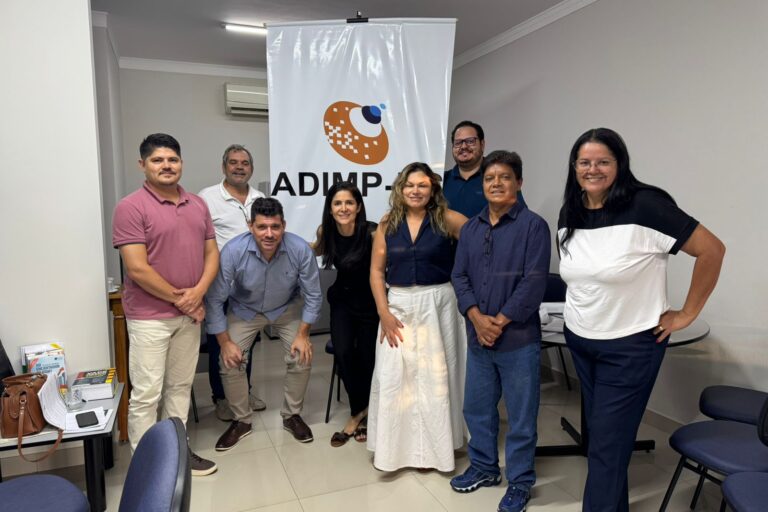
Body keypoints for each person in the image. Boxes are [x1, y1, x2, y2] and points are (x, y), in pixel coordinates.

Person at [557, 128, 725, 512]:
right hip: (581, 340)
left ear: (620, 164)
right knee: (605, 442)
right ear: (574, 167)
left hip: (629, 347)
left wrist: (687, 313)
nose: (593, 169)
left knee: (605, 446)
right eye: (585, 162)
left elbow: (712, 250)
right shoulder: (572, 210)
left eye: (603, 161)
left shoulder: (646, 206)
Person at [112, 133, 219, 476]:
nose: (166, 165)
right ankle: (147, 470)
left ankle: (178, 454)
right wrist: (186, 301)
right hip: (150, 318)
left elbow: (211, 254)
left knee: (180, 388)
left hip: (189, 315)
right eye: (157, 160)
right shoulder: (130, 207)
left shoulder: (197, 204)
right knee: (146, 395)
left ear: (181, 163)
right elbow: (137, 268)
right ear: (142, 165)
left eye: (172, 159)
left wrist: (198, 292)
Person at [450, 150, 550, 512]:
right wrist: (477, 318)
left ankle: (520, 481)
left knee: (521, 417)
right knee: (477, 408)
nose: (496, 183)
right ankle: (484, 468)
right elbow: (459, 275)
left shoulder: (533, 226)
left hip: (518, 340)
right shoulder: (471, 228)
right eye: (490, 178)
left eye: (504, 177)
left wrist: (499, 321)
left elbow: (533, 282)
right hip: (479, 338)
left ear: (518, 183)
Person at [367, 162, 468, 472]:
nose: (415, 190)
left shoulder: (449, 219)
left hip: (439, 305)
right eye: (409, 185)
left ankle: (439, 449)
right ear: (400, 189)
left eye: (422, 185)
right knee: (395, 376)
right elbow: (376, 272)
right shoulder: (388, 224)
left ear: (432, 188)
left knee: (437, 377)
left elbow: (479, 252)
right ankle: (395, 452)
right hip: (397, 306)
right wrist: (383, 312)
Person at [205, 197, 322, 450]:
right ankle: (241, 420)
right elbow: (214, 299)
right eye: (261, 227)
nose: (269, 234)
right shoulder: (233, 251)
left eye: (275, 227)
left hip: (285, 307)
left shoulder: (300, 249)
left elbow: (313, 295)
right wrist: (225, 343)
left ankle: (292, 415)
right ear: (250, 226)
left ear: (284, 225)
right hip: (244, 309)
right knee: (230, 361)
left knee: (301, 355)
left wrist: (303, 334)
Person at [199, 144, 266, 421]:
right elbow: (199, 242)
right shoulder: (207, 198)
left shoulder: (260, 198)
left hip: (251, 287)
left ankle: (243, 392)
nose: (239, 167)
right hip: (220, 284)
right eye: (234, 162)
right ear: (224, 166)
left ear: (251, 168)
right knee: (221, 342)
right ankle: (221, 398)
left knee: (246, 341)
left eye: (245, 163)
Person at [313, 182, 378, 446]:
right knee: (342, 352)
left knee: (367, 357)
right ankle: (360, 411)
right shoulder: (325, 231)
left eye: (349, 202)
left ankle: (358, 415)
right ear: (330, 209)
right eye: (337, 203)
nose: (343, 208)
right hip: (342, 301)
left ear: (358, 206)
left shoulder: (373, 232)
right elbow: (314, 249)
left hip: (370, 304)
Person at [444, 120, 525, 217]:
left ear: (482, 145)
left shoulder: (499, 178)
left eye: (470, 141)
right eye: (458, 143)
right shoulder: (442, 180)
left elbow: (521, 216)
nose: (464, 146)